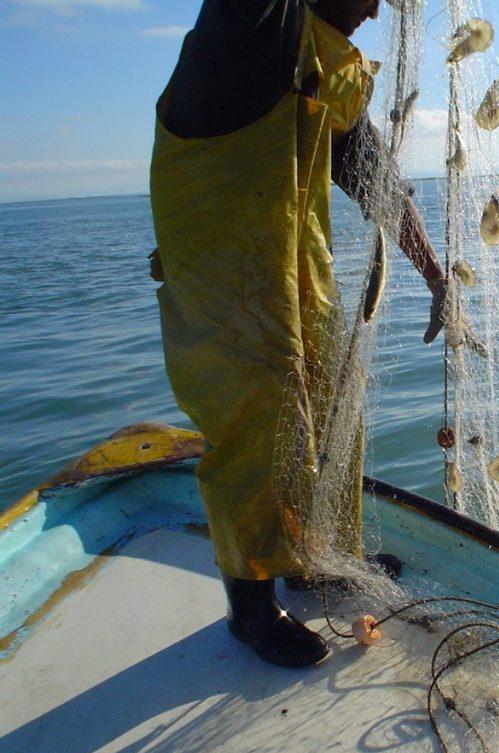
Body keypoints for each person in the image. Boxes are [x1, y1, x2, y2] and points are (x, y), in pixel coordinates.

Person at [149, 0, 445, 668]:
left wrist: (434, 273)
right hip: (219, 259)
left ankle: (319, 560)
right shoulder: (247, 31)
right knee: (259, 413)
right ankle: (249, 607)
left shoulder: (328, 65)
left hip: (294, 254)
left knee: (334, 393)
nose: (376, 10)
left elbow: (374, 178)